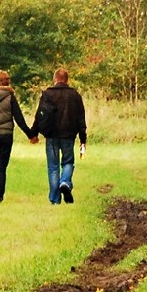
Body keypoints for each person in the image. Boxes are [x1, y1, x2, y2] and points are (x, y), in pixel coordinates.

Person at [0, 69, 38, 204]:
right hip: (6, 135)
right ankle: (0, 196)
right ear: (6, 82)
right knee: (2, 166)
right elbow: (19, 119)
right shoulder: (10, 97)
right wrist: (30, 135)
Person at [30, 67, 87, 205]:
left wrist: (34, 133)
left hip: (51, 135)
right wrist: (83, 139)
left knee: (53, 167)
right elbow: (81, 119)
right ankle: (65, 182)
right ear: (67, 80)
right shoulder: (75, 95)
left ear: (55, 79)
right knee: (68, 162)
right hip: (68, 135)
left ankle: (55, 200)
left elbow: (40, 115)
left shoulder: (48, 94)